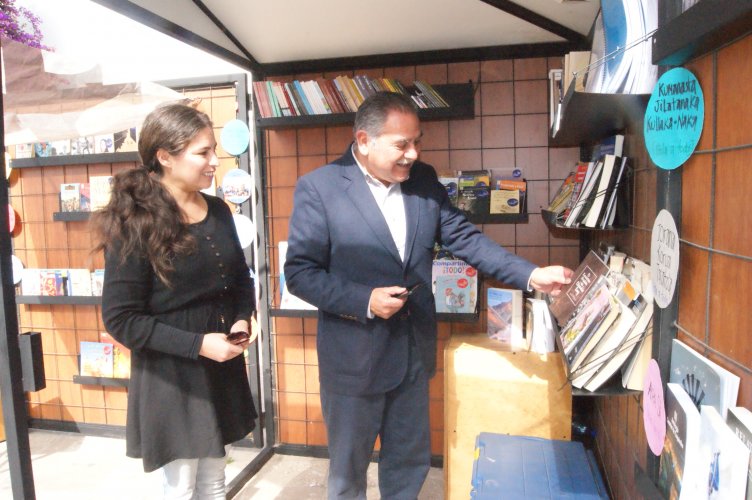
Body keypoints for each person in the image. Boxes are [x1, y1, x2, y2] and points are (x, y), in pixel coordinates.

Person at [284, 91, 573, 499]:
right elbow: (300, 273)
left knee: (409, 465)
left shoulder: (423, 181)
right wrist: (365, 300)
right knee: (348, 475)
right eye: (401, 144)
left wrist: (531, 274)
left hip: (411, 356)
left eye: (417, 141)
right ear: (363, 141)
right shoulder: (320, 188)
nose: (413, 153)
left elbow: (466, 239)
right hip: (353, 360)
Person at [92, 103, 257, 499]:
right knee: (180, 488)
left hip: (222, 363)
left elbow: (238, 280)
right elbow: (121, 319)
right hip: (172, 374)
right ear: (165, 157)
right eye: (202, 152)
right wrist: (198, 344)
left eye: (214, 149)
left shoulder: (217, 209)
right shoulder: (135, 221)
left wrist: (240, 321)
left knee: (216, 482)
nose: (214, 161)